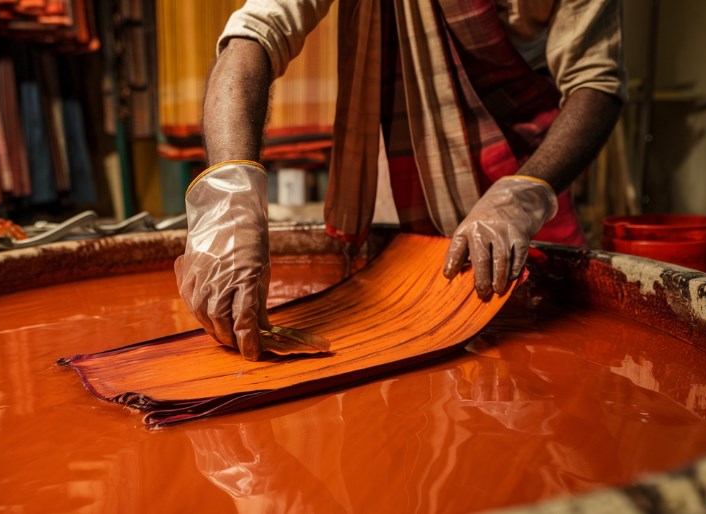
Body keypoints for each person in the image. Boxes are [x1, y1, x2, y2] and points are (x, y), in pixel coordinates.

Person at [176, 0, 626, 360]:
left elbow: (595, 82)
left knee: (538, 366)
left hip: (524, 179)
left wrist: (522, 195)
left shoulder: (524, 193)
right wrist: (229, 196)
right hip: (406, 182)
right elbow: (251, 40)